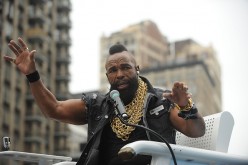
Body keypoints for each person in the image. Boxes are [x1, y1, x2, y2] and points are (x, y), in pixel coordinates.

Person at [4, 37, 206, 165]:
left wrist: (186, 107)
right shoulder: (98, 105)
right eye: (113, 70)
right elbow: (54, 109)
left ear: (137, 69)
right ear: (107, 76)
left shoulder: (161, 101)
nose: (119, 74)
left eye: (126, 67)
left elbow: (196, 130)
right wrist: (32, 75)